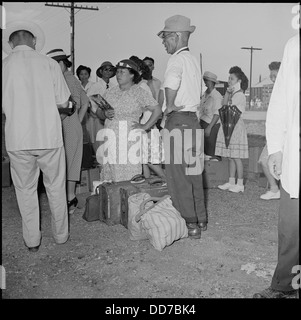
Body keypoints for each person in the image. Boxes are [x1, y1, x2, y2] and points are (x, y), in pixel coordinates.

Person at [2, 20, 71, 252]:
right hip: (48, 136)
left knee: (25, 190)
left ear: (11, 43)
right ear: (33, 40)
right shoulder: (50, 64)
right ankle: (61, 236)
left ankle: (32, 242)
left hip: (18, 138)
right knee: (55, 186)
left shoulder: (3, 65)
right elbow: (63, 101)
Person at [253, 34, 299, 299]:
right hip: (297, 153)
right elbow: (280, 100)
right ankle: (286, 285)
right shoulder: (295, 45)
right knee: (291, 226)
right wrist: (277, 148)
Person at [158, 15, 207, 239]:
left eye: (166, 37)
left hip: (178, 121)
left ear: (177, 36)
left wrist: (169, 106)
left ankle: (190, 223)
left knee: (178, 175)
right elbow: (203, 91)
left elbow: (170, 84)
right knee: (194, 172)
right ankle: (200, 218)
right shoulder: (193, 60)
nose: (164, 42)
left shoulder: (176, 60)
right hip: (194, 122)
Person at [96, 59, 162, 182]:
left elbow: (157, 110)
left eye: (122, 72)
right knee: (110, 176)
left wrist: (145, 127)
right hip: (110, 140)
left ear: (132, 75)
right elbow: (98, 112)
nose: (118, 75)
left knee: (129, 178)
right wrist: (104, 113)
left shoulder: (138, 92)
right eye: (117, 72)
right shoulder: (110, 92)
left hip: (129, 142)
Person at [46, 49, 90, 212]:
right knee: (70, 161)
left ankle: (69, 198)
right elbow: (85, 102)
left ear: (62, 63)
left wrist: (72, 121)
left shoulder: (67, 80)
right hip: (71, 125)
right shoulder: (70, 78)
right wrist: (78, 121)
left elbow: (71, 106)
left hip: (66, 125)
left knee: (67, 162)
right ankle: (70, 197)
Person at [130, 55, 166, 182]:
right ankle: (149, 187)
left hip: (147, 126)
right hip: (144, 127)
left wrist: (146, 126)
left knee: (150, 160)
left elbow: (151, 110)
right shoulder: (137, 86)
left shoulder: (142, 87)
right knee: (143, 160)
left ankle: (167, 181)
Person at [215, 66, 249, 193]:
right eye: (228, 78)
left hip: (235, 126)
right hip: (228, 124)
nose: (229, 80)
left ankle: (240, 184)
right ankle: (231, 181)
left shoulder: (240, 95)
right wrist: (227, 93)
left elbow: (230, 110)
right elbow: (223, 106)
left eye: (232, 78)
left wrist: (229, 95)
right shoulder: (232, 93)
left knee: (236, 156)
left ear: (238, 80)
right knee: (230, 156)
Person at [258, 61, 281, 200]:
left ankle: (275, 189)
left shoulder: (285, 91)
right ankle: (276, 188)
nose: (272, 79)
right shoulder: (276, 91)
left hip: (282, 135)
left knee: (265, 160)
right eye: (271, 76)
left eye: (274, 75)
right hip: (275, 134)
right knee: (265, 160)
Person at [86, 61, 116, 153]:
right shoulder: (95, 86)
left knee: (109, 143)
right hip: (97, 118)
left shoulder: (114, 87)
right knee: (99, 143)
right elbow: (88, 102)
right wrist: (95, 113)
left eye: (110, 70)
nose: (108, 72)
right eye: (105, 69)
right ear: (101, 72)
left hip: (110, 118)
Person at [197, 71, 223, 161]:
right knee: (204, 151)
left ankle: (214, 172)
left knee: (211, 151)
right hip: (203, 123)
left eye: (207, 81)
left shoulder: (216, 96)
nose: (205, 83)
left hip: (211, 125)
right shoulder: (205, 95)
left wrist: (209, 127)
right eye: (204, 80)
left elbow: (217, 114)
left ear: (212, 83)